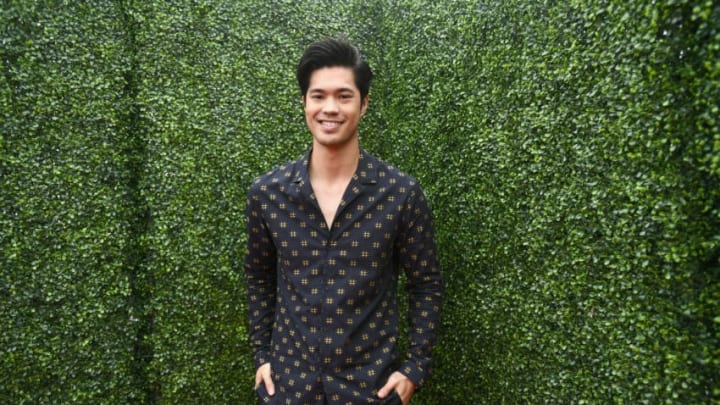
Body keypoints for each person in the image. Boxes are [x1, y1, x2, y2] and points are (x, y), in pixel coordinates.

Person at [244, 37, 443, 405]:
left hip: (370, 389)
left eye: (344, 96)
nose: (330, 108)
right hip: (288, 390)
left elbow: (426, 284)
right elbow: (258, 275)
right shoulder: (267, 193)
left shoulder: (399, 193)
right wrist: (262, 356)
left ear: (364, 104)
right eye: (318, 95)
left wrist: (414, 369)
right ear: (304, 102)